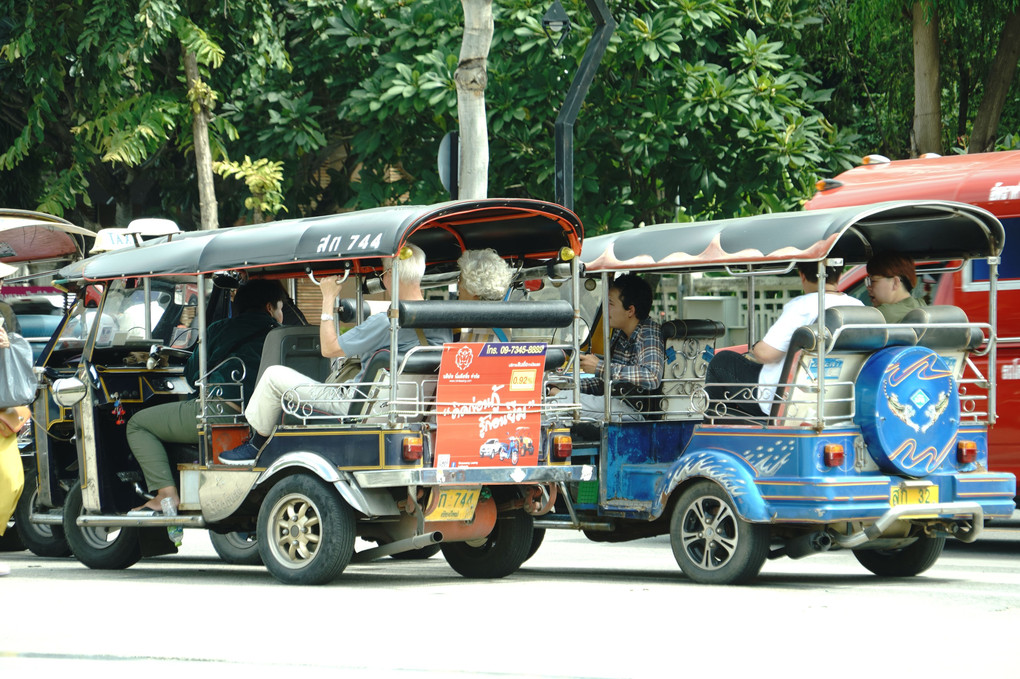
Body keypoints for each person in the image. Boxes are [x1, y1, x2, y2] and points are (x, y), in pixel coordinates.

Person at [219, 243, 451, 465]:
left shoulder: (387, 322)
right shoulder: (443, 320)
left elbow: (328, 348)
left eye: (382, 274)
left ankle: (255, 446)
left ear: (390, 275)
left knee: (273, 376)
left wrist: (328, 297)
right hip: (409, 412)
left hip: (358, 406)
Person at [126, 279, 286, 513]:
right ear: (270, 308)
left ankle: (165, 494)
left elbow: (193, 378)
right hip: (272, 418)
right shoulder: (284, 336)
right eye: (281, 308)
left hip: (224, 411)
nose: (282, 314)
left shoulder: (219, 329)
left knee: (137, 424)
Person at [704, 262, 864, 419]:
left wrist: (756, 348)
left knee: (722, 361)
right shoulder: (858, 306)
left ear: (802, 275)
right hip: (837, 398)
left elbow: (766, 354)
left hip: (785, 400)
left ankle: (716, 428)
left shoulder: (803, 306)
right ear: (839, 273)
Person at [548, 273, 664, 421]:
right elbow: (603, 384)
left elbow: (652, 376)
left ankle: (560, 398)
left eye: (610, 303)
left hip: (634, 411)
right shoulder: (619, 334)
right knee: (566, 402)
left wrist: (601, 367)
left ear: (630, 311)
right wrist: (566, 384)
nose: (606, 309)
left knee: (565, 404)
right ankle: (560, 396)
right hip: (616, 404)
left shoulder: (648, 332)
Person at [456, 248, 513, 341]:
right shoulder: (503, 323)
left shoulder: (463, 326)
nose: (458, 283)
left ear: (474, 289)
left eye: (460, 279)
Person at [866, 252, 924, 322]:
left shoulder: (883, 314)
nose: (869, 287)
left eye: (873, 281)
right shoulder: (922, 306)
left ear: (895, 282)